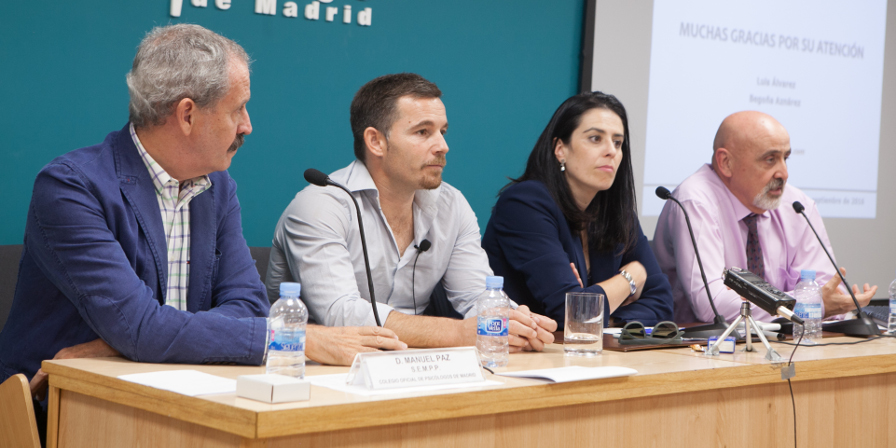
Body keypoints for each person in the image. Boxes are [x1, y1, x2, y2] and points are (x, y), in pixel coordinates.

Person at [0, 24, 405, 405]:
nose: (248, 125)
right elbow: (140, 328)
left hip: (178, 392)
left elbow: (246, 306)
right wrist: (298, 338)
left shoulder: (216, 185)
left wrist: (124, 341)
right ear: (188, 115)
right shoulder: (72, 187)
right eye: (238, 109)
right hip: (58, 406)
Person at [267, 73, 557, 349]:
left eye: (442, 132)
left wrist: (517, 323)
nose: (443, 146)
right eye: (423, 131)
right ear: (376, 141)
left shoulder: (451, 205)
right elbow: (340, 313)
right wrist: (458, 332)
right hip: (317, 372)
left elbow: (476, 297)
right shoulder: (320, 205)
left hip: (412, 365)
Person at [653, 111, 877, 323]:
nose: (784, 173)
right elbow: (711, 304)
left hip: (781, 343)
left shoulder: (798, 206)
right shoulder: (696, 201)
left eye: (785, 158)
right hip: (699, 351)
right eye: (770, 159)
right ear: (726, 163)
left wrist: (823, 303)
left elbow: (827, 291)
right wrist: (804, 305)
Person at [482, 92, 673, 328]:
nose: (611, 151)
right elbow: (571, 312)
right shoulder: (524, 204)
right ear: (560, 149)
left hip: (588, 356)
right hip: (518, 354)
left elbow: (663, 303)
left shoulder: (615, 212)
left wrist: (605, 317)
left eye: (617, 142)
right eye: (595, 138)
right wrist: (631, 277)